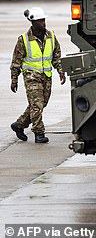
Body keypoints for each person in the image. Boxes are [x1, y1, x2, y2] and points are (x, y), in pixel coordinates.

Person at [10, 7, 66, 143]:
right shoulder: (23, 40)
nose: (43, 23)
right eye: (40, 21)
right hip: (31, 76)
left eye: (44, 20)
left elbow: (56, 56)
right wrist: (14, 79)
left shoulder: (51, 36)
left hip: (46, 76)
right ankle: (39, 133)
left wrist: (60, 70)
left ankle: (19, 124)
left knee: (41, 103)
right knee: (37, 105)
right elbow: (16, 61)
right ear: (33, 22)